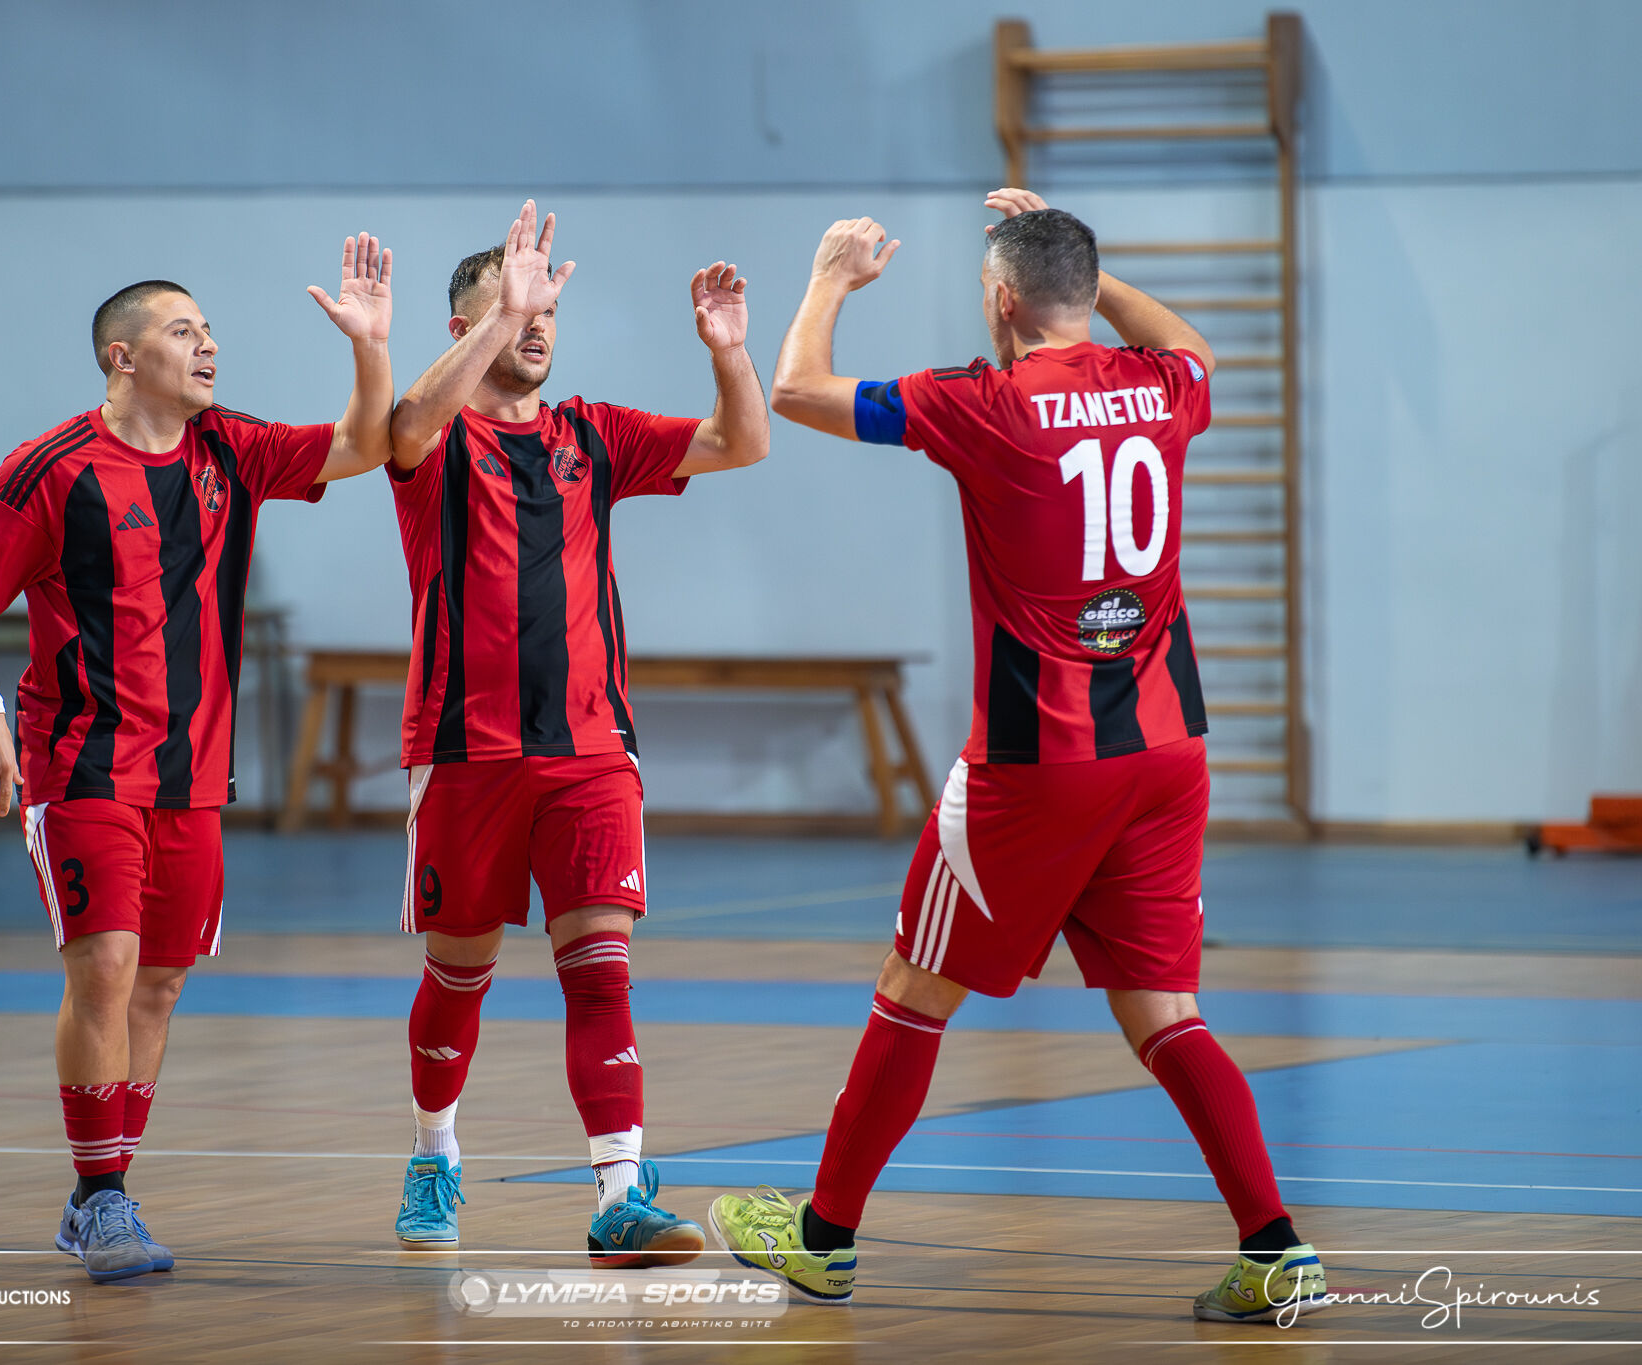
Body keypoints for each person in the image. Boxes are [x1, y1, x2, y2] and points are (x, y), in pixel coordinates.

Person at [710, 190, 1329, 1322]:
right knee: (1162, 1012)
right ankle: (1274, 1247)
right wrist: (1086, 269)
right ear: (1085, 299)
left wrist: (830, 280)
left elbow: (795, 388)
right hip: (1165, 752)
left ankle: (823, 1240)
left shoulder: (984, 401)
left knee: (911, 991)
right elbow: (1183, 341)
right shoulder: (1160, 386)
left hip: (1036, 762)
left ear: (997, 301)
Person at [0, 236, 396, 1281]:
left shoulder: (229, 448)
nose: (209, 346)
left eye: (210, 330)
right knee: (105, 968)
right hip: (81, 761)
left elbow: (366, 443)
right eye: (184, 331)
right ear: (120, 356)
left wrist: (370, 344)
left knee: (161, 987)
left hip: (192, 774)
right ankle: (102, 1200)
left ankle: (107, 1184)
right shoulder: (52, 468)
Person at [381, 200, 768, 1266]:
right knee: (458, 973)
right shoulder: (431, 437)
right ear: (464, 326)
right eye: (512, 303)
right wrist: (496, 317)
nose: (536, 318)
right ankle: (434, 1154)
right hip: (462, 753)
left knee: (599, 969)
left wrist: (728, 353)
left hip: (590, 752)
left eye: (548, 303)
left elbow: (745, 440)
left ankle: (617, 1191)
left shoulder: (590, 434)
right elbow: (404, 425)